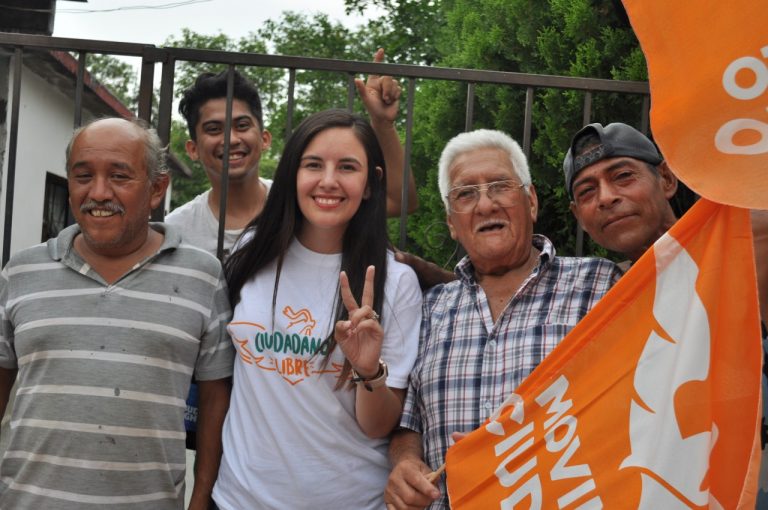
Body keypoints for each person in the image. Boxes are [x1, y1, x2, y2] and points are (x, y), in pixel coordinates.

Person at [0, 118, 234, 509]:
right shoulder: (21, 273)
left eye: (119, 176)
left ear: (157, 189)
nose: (99, 192)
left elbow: (215, 399)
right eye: (83, 176)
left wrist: (200, 499)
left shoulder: (202, 276)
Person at [384, 129, 623, 509]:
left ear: (530, 202)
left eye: (499, 186)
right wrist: (406, 463)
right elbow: (407, 423)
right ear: (450, 221)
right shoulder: (429, 310)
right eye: (465, 193)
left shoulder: (599, 286)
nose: (485, 205)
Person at [212, 109, 422, 509]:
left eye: (347, 167)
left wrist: (367, 371)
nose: (328, 181)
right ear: (292, 174)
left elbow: (378, 425)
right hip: (240, 500)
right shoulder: (251, 253)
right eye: (313, 165)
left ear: (371, 184)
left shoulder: (395, 283)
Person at [562, 121, 768, 507]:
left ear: (667, 179)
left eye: (623, 176)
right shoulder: (607, 300)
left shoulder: (746, 237)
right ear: (579, 216)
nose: (606, 197)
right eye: (587, 192)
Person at [167, 48, 417, 259]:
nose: (231, 139)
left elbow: (400, 202)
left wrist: (383, 124)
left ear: (265, 139)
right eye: (214, 129)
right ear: (193, 149)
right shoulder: (177, 229)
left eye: (242, 125)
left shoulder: (301, 199)